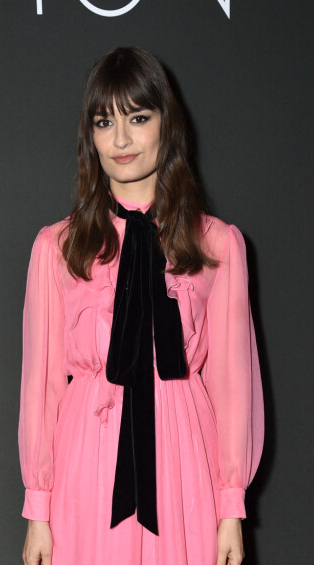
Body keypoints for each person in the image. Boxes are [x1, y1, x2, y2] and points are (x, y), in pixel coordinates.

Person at [19, 47, 264, 565]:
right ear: (90, 135)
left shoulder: (217, 245)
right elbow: (39, 389)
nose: (122, 139)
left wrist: (230, 508)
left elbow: (232, 387)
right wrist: (38, 509)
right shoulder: (56, 248)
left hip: (183, 461)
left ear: (165, 125)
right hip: (88, 460)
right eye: (105, 122)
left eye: (138, 117)